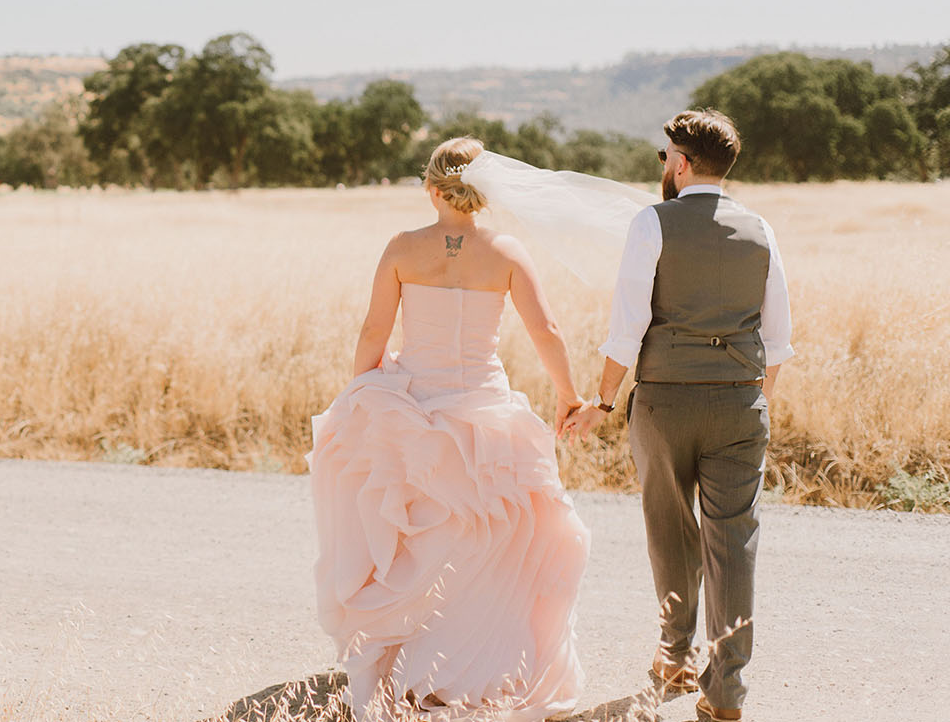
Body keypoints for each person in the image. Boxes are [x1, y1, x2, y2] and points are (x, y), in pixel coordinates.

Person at [310, 136, 590, 721]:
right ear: (484, 191)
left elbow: (371, 335)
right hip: (485, 409)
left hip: (415, 406)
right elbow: (548, 331)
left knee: (420, 535)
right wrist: (569, 396)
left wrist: (362, 392)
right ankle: (469, 667)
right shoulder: (506, 251)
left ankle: (413, 663)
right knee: (487, 535)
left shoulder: (402, 248)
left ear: (431, 187)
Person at [566, 109, 793, 722]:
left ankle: (674, 656)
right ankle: (725, 694)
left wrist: (604, 402)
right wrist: (751, 398)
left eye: (665, 156)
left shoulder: (653, 223)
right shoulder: (761, 229)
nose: (663, 166)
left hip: (665, 400)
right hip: (742, 400)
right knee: (734, 542)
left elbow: (628, 326)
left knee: (670, 530)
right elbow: (779, 337)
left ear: (683, 162)